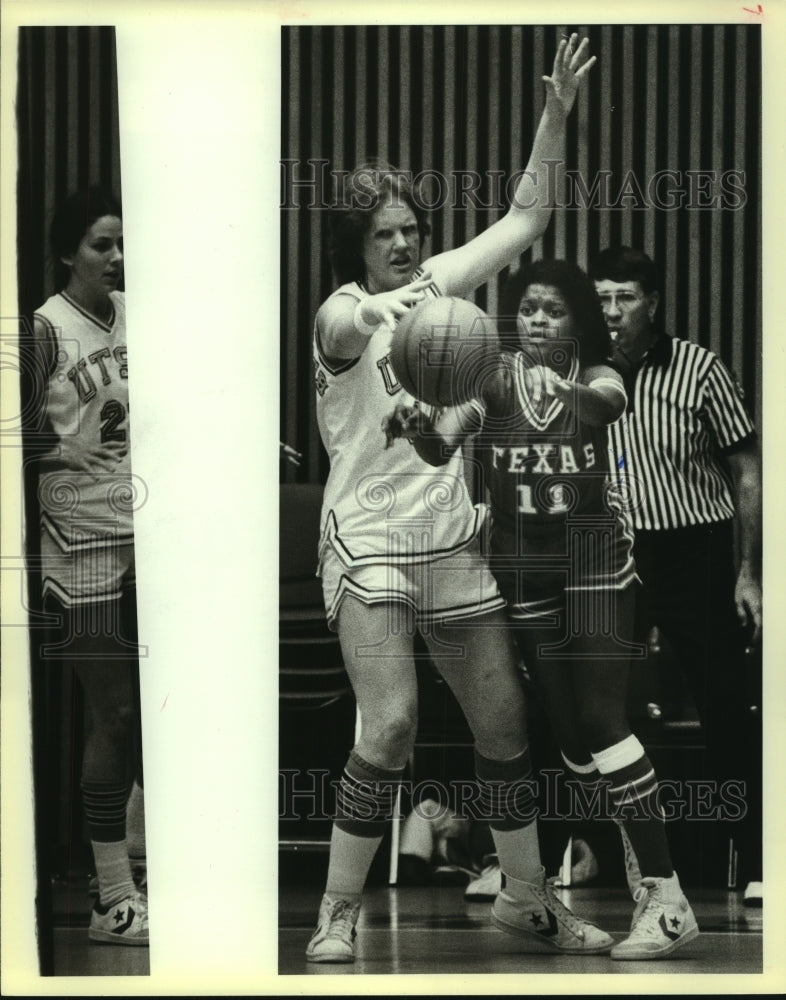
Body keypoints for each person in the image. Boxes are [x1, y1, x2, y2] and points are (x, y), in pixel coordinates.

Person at [306, 35, 608, 963]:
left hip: (448, 538)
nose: (404, 242)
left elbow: (523, 222)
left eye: (410, 228)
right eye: (384, 233)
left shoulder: (441, 289)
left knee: (506, 723)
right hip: (365, 539)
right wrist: (373, 310)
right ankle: (338, 908)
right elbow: (338, 322)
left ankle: (525, 897)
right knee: (389, 723)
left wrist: (555, 119)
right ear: (357, 247)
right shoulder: (345, 315)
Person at [392, 258, 699, 960]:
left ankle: (666, 896)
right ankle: (608, 845)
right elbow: (443, 443)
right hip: (524, 572)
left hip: (594, 562)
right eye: (528, 308)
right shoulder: (491, 377)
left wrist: (572, 388)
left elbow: (608, 406)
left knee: (601, 720)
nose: (537, 320)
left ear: (578, 321)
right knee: (573, 743)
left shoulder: (600, 371)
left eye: (553, 310)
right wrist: (416, 422)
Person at [591, 246, 763, 902]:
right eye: (602, 298)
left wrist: (750, 572)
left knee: (725, 707)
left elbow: (747, 467)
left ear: (653, 302)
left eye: (625, 297)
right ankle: (593, 860)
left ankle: (754, 863)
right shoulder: (581, 372)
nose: (611, 311)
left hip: (695, 548)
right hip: (613, 553)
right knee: (596, 709)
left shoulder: (699, 369)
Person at [31, 187, 148, 945]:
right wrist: (54, 448)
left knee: (161, 715)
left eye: (121, 244)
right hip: (82, 542)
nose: (115, 257)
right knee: (114, 712)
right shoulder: (43, 330)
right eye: (102, 244)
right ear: (70, 250)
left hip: (153, 535)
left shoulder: (145, 312)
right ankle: (111, 898)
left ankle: (142, 871)